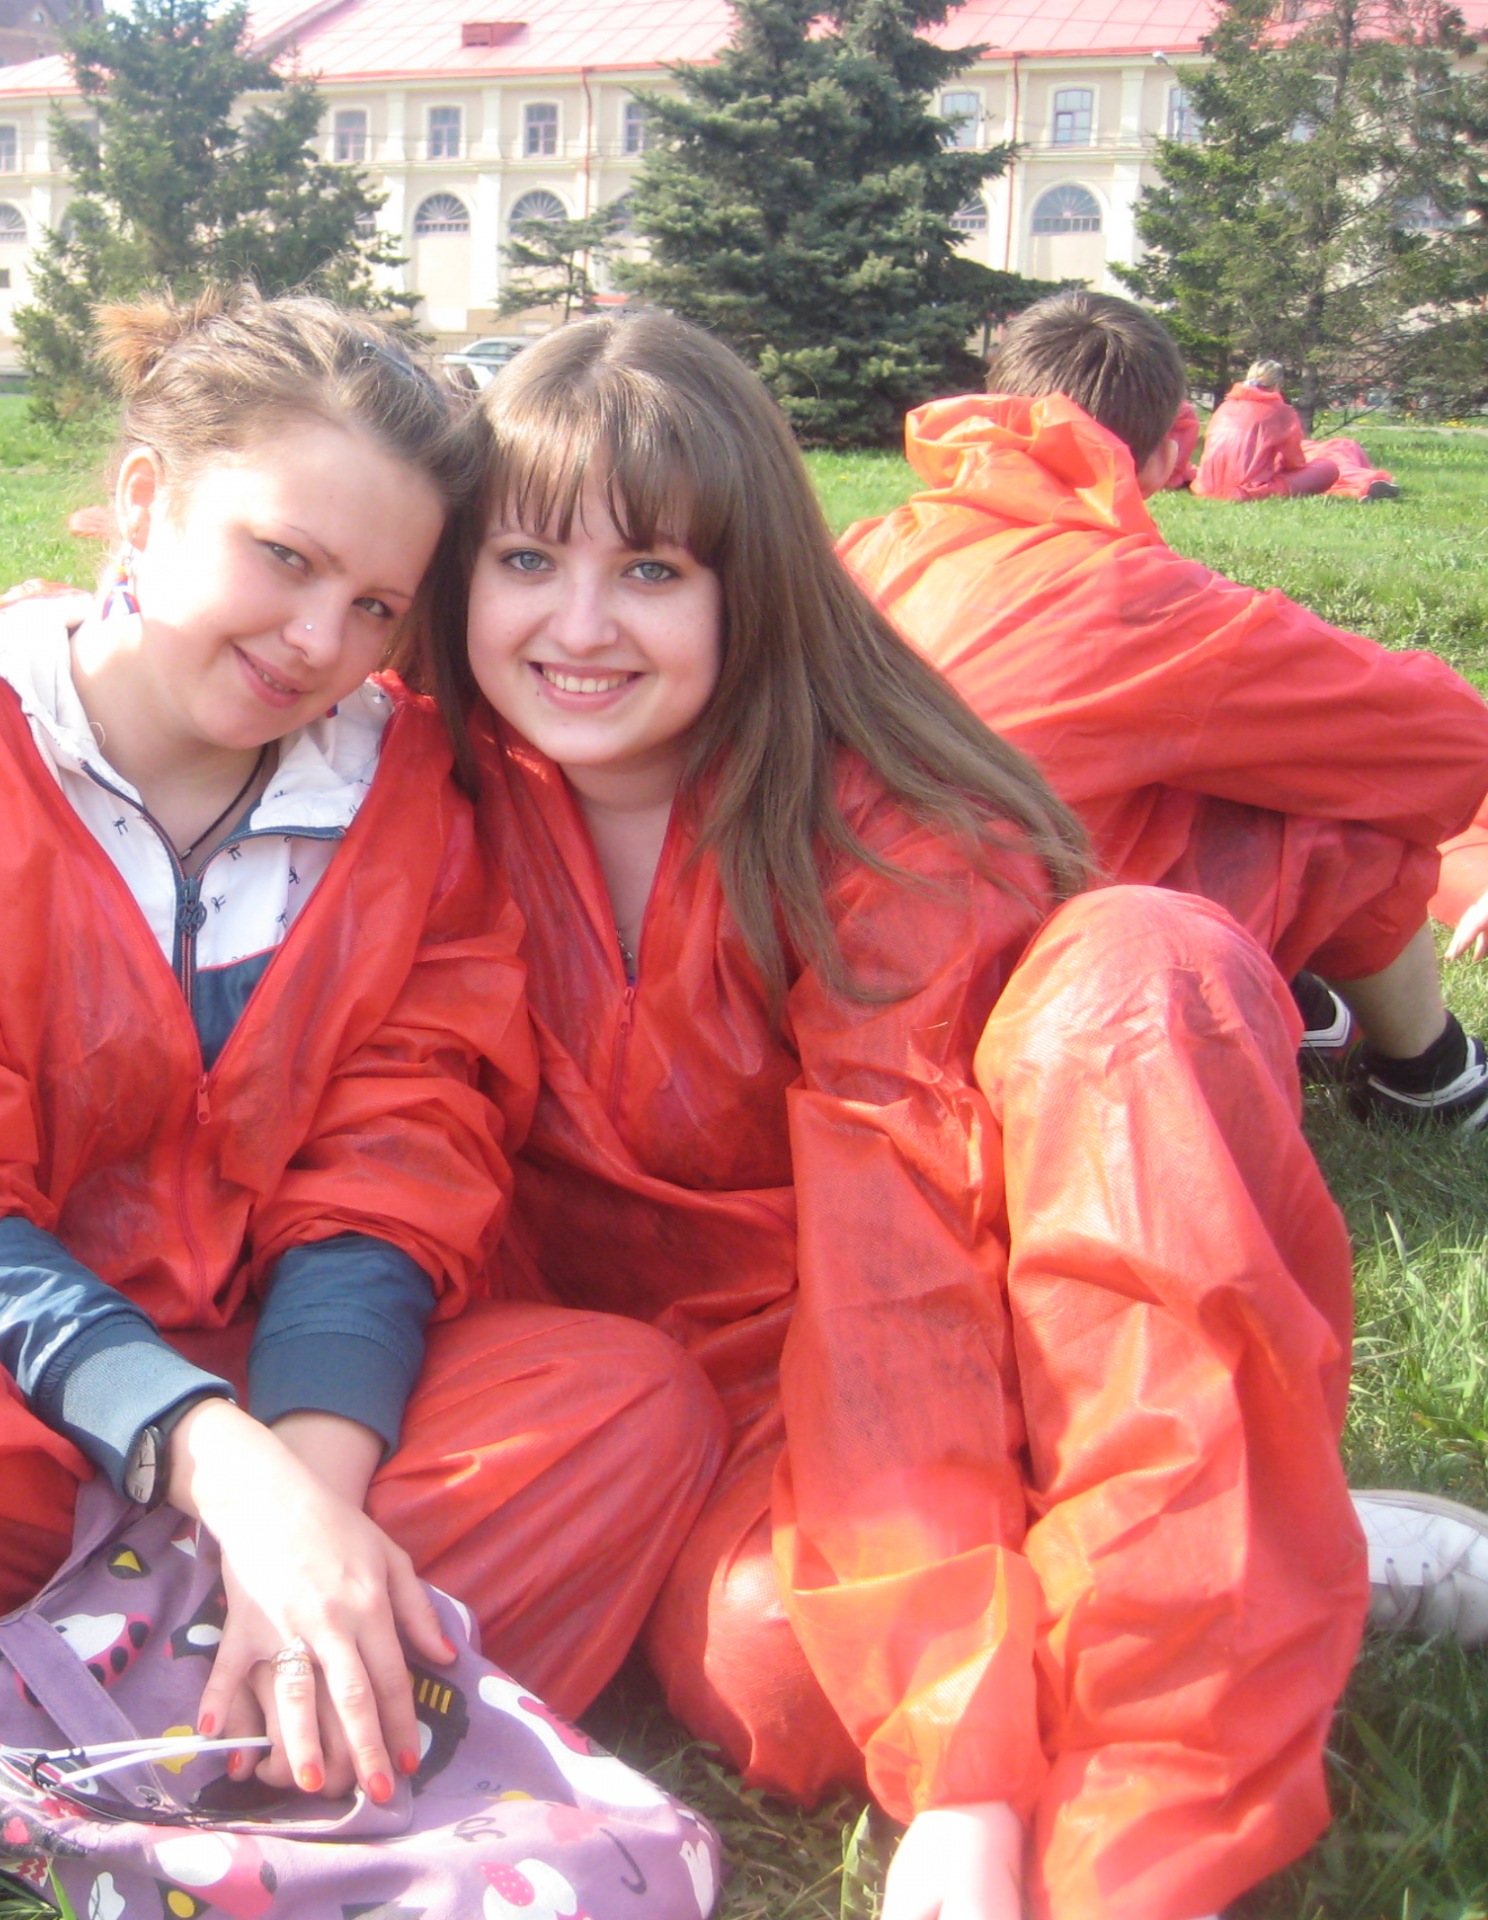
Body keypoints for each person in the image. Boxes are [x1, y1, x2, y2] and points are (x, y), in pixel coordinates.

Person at [0, 288, 728, 1908]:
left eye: (375, 604)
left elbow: (401, 1164)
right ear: (143, 500)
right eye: (284, 558)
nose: (318, 641)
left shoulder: (416, 795)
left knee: (629, 1408)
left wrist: (308, 1491)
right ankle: (285, 1713)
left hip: (309, 1388)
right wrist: (231, 1486)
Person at [417, 310, 1373, 1920]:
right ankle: (1241, 1546)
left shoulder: (887, 823)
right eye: (526, 560)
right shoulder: (422, 782)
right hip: (698, 1388)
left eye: (651, 569)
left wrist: (968, 1779)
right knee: (781, 1676)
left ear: (753, 584)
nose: (579, 626)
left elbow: (897, 1259)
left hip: (979, 1329)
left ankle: (1190, 1588)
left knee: (1144, 967)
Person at [839, 292, 1488, 1129]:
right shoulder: (1149, 603)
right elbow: (1443, 734)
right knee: (1345, 806)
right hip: (990, 1014)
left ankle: (1300, 1005)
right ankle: (1429, 1077)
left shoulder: (867, 545)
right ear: (1175, 443)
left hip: (839, 973)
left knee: (1159, 777)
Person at [1194, 359, 1397, 500]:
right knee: (1328, 468)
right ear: (1278, 384)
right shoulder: (1280, 410)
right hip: (1245, 491)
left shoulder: (1225, 406)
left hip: (1205, 487)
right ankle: (1360, 486)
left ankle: (1359, 488)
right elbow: (1295, 463)